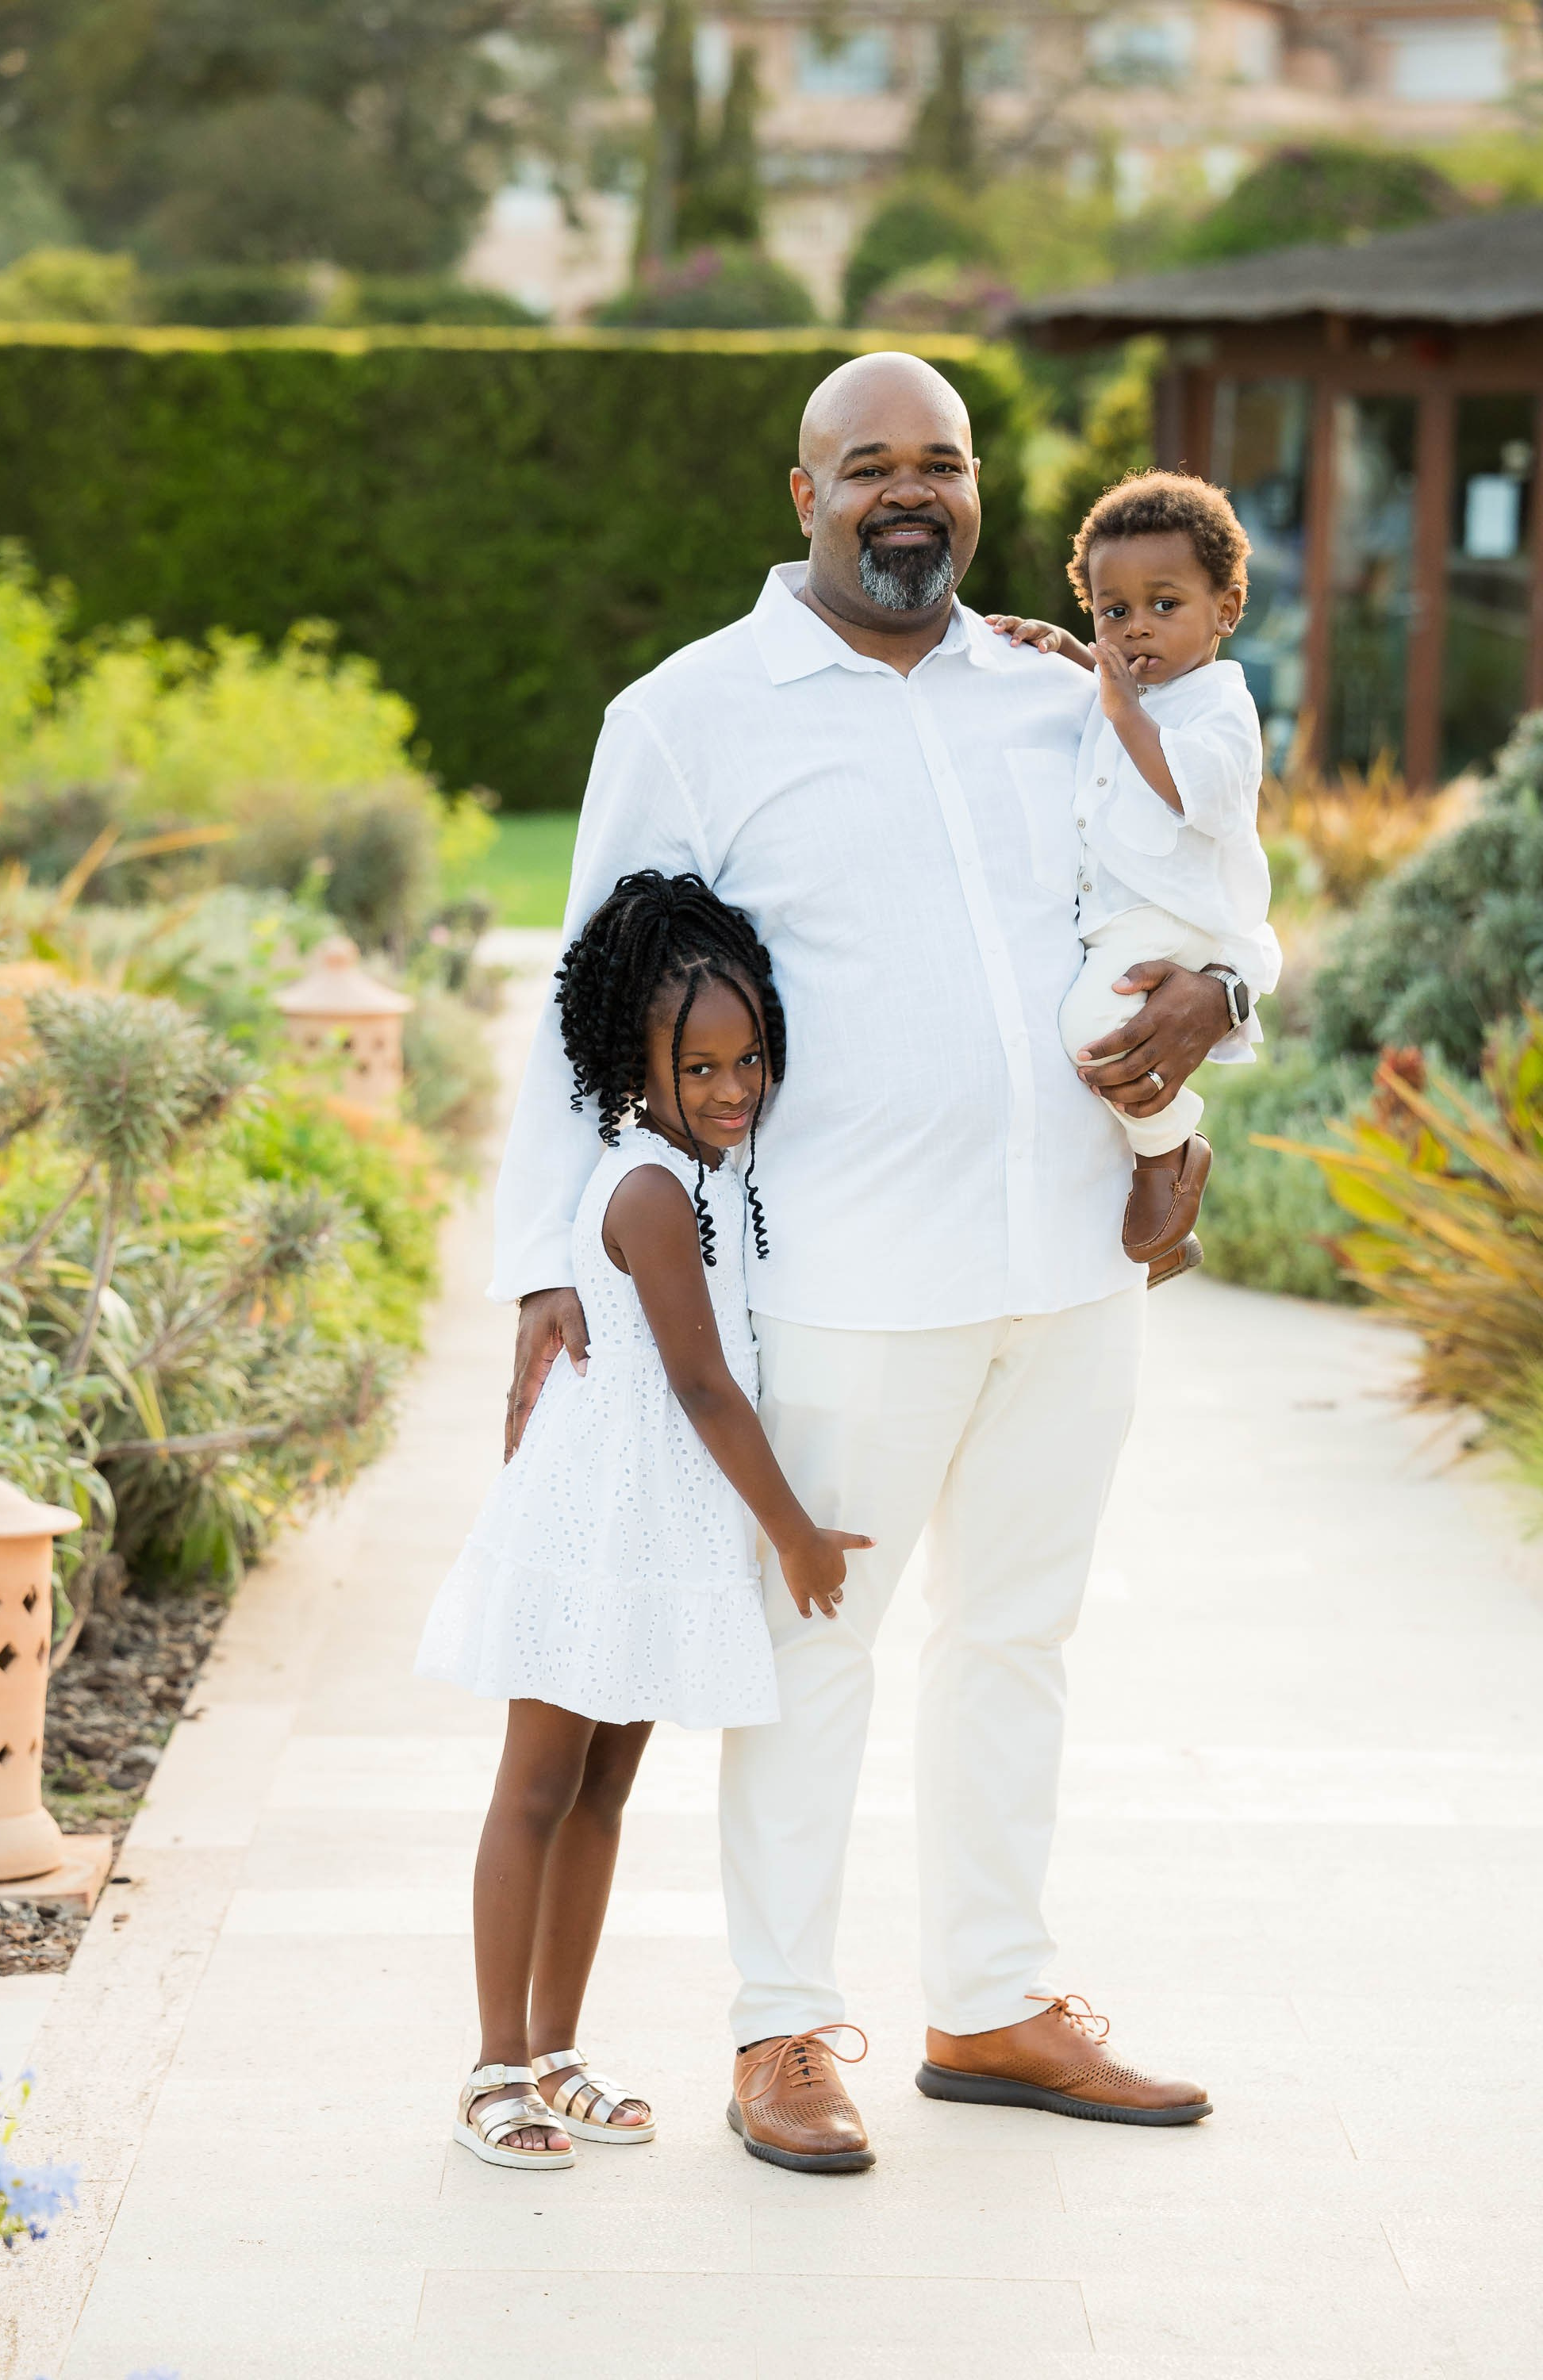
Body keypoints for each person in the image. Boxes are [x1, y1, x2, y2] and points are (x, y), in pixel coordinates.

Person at [495, 351, 1262, 2175]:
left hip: (1073, 1261)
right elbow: (578, 1007)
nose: (903, 491)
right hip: (843, 1275)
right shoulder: (686, 714)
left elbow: (1209, 868)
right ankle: (778, 2027)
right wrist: (546, 1266)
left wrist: (1225, 996)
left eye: (939, 462)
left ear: (977, 491)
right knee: (812, 1649)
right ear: (802, 495)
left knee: (1018, 1635)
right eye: (866, 466)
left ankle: (990, 1998)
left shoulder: (1057, 685)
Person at [416, 871, 872, 2171]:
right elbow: (699, 1383)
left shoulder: (701, 1168)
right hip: (593, 1526)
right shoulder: (651, 1192)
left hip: (650, 1525)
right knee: (538, 1788)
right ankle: (492, 2066)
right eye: (702, 1066)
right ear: (636, 1063)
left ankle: (558, 2053)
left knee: (606, 1791)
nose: (736, 1088)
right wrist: (794, 1531)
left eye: (751, 1058)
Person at [988, 470, 1282, 1287]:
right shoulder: (1131, 689)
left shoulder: (1219, 703)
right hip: (1127, 916)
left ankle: (1169, 1155)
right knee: (1086, 1038)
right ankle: (1161, 1229)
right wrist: (1073, 654)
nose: (1135, 630)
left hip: (1180, 915)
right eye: (1112, 612)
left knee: (1093, 1031)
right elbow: (1119, 694)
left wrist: (1117, 703)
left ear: (1224, 609)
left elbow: (1198, 793)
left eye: (1164, 605)